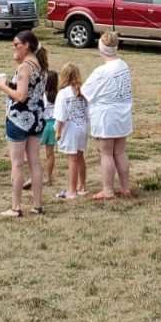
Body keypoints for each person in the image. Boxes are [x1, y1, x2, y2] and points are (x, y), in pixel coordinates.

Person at [0, 30, 48, 217]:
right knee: (35, 162)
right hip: (37, 118)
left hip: (20, 119)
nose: (14, 47)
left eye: (17, 44)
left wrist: (2, 85)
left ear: (27, 45)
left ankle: (16, 207)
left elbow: (21, 96)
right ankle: (37, 205)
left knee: (17, 164)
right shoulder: (40, 65)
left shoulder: (25, 67)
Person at [84, 32, 134, 200]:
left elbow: (86, 91)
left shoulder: (101, 71)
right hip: (122, 113)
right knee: (120, 151)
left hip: (106, 115)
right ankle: (125, 187)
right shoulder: (123, 65)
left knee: (106, 153)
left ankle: (108, 189)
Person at [54, 63, 90, 199]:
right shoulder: (82, 91)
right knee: (80, 157)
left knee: (72, 159)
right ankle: (82, 186)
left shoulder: (63, 94)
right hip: (83, 127)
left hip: (70, 129)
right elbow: (88, 111)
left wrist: (58, 132)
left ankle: (71, 190)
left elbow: (60, 116)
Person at [41, 70, 59, 186]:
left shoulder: (43, 95)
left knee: (34, 152)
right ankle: (48, 177)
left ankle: (36, 175)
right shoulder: (59, 94)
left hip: (44, 124)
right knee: (50, 154)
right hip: (55, 124)